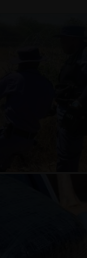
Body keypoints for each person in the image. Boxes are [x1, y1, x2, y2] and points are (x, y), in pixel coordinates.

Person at [0, 48, 55, 171]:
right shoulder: (46, 84)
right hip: (29, 138)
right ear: (37, 63)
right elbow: (44, 111)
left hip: (10, 136)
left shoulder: (14, 78)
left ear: (21, 63)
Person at [54, 24, 87, 171]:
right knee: (64, 152)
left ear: (74, 40)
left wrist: (78, 104)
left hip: (73, 112)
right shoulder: (76, 55)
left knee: (67, 155)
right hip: (67, 109)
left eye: (64, 40)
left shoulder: (84, 55)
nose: (61, 43)